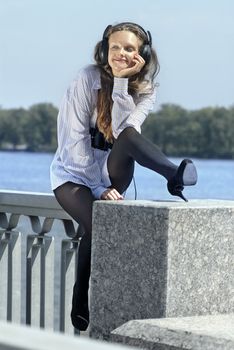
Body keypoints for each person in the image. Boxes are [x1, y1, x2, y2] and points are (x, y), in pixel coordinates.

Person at [50, 22, 197, 331]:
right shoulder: (85, 79)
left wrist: (120, 83)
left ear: (140, 55)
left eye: (129, 48)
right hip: (72, 176)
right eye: (115, 47)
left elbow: (122, 134)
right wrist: (99, 187)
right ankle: (81, 293)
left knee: (129, 135)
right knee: (97, 223)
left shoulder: (146, 91)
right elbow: (74, 144)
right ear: (105, 49)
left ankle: (173, 174)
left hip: (112, 172)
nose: (120, 53)